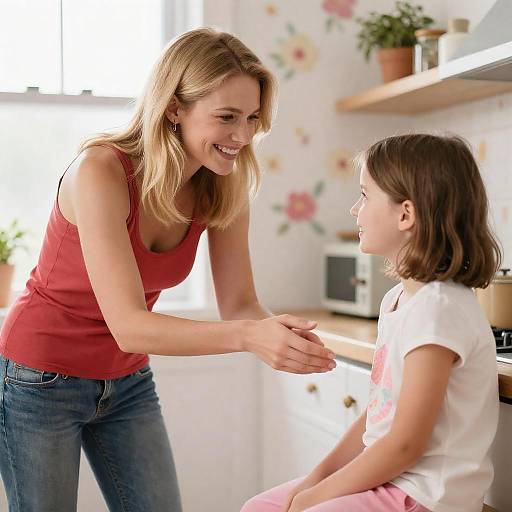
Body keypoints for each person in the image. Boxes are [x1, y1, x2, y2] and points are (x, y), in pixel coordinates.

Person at [0, 28, 337, 512]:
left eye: (252, 119)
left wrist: (281, 335)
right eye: (226, 117)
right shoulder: (100, 172)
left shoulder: (223, 184)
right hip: (41, 376)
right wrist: (247, 337)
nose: (241, 136)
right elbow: (130, 325)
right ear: (175, 107)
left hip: (126, 380)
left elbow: (239, 303)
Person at [241, 133, 502, 512]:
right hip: (392, 479)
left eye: (364, 195)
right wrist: (315, 482)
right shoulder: (398, 300)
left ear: (406, 214)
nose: (354, 210)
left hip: (427, 496)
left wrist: (316, 498)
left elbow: (404, 445)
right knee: (260, 507)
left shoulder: (439, 310)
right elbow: (379, 417)